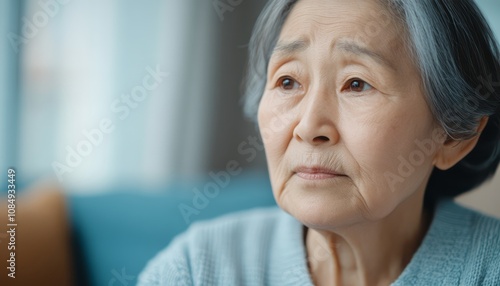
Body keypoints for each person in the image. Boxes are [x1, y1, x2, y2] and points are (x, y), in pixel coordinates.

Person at [138, 0, 500, 285]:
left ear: (453, 136)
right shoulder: (197, 270)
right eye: (288, 81)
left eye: (357, 83)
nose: (309, 127)